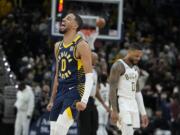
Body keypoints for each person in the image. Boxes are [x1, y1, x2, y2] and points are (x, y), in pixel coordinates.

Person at [46, 13, 94, 135]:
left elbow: (89, 76)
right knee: (53, 131)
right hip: (60, 92)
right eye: (64, 18)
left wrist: (84, 100)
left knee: (60, 130)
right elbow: (58, 74)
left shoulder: (81, 45)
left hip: (75, 90)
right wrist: (52, 99)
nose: (63, 19)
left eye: (68, 18)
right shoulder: (57, 46)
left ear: (75, 25)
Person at [109, 43, 149, 135]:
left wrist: (143, 113)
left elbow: (138, 91)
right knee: (126, 131)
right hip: (121, 101)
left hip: (133, 102)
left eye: (139, 57)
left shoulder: (136, 69)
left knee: (130, 132)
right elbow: (112, 89)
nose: (138, 58)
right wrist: (114, 110)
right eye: (136, 56)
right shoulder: (118, 65)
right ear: (129, 52)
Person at [79, 52, 110, 135]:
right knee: (85, 128)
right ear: (90, 58)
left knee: (95, 125)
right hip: (84, 101)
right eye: (95, 59)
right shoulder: (82, 69)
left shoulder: (95, 72)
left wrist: (104, 104)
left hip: (92, 101)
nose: (97, 61)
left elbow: (96, 91)